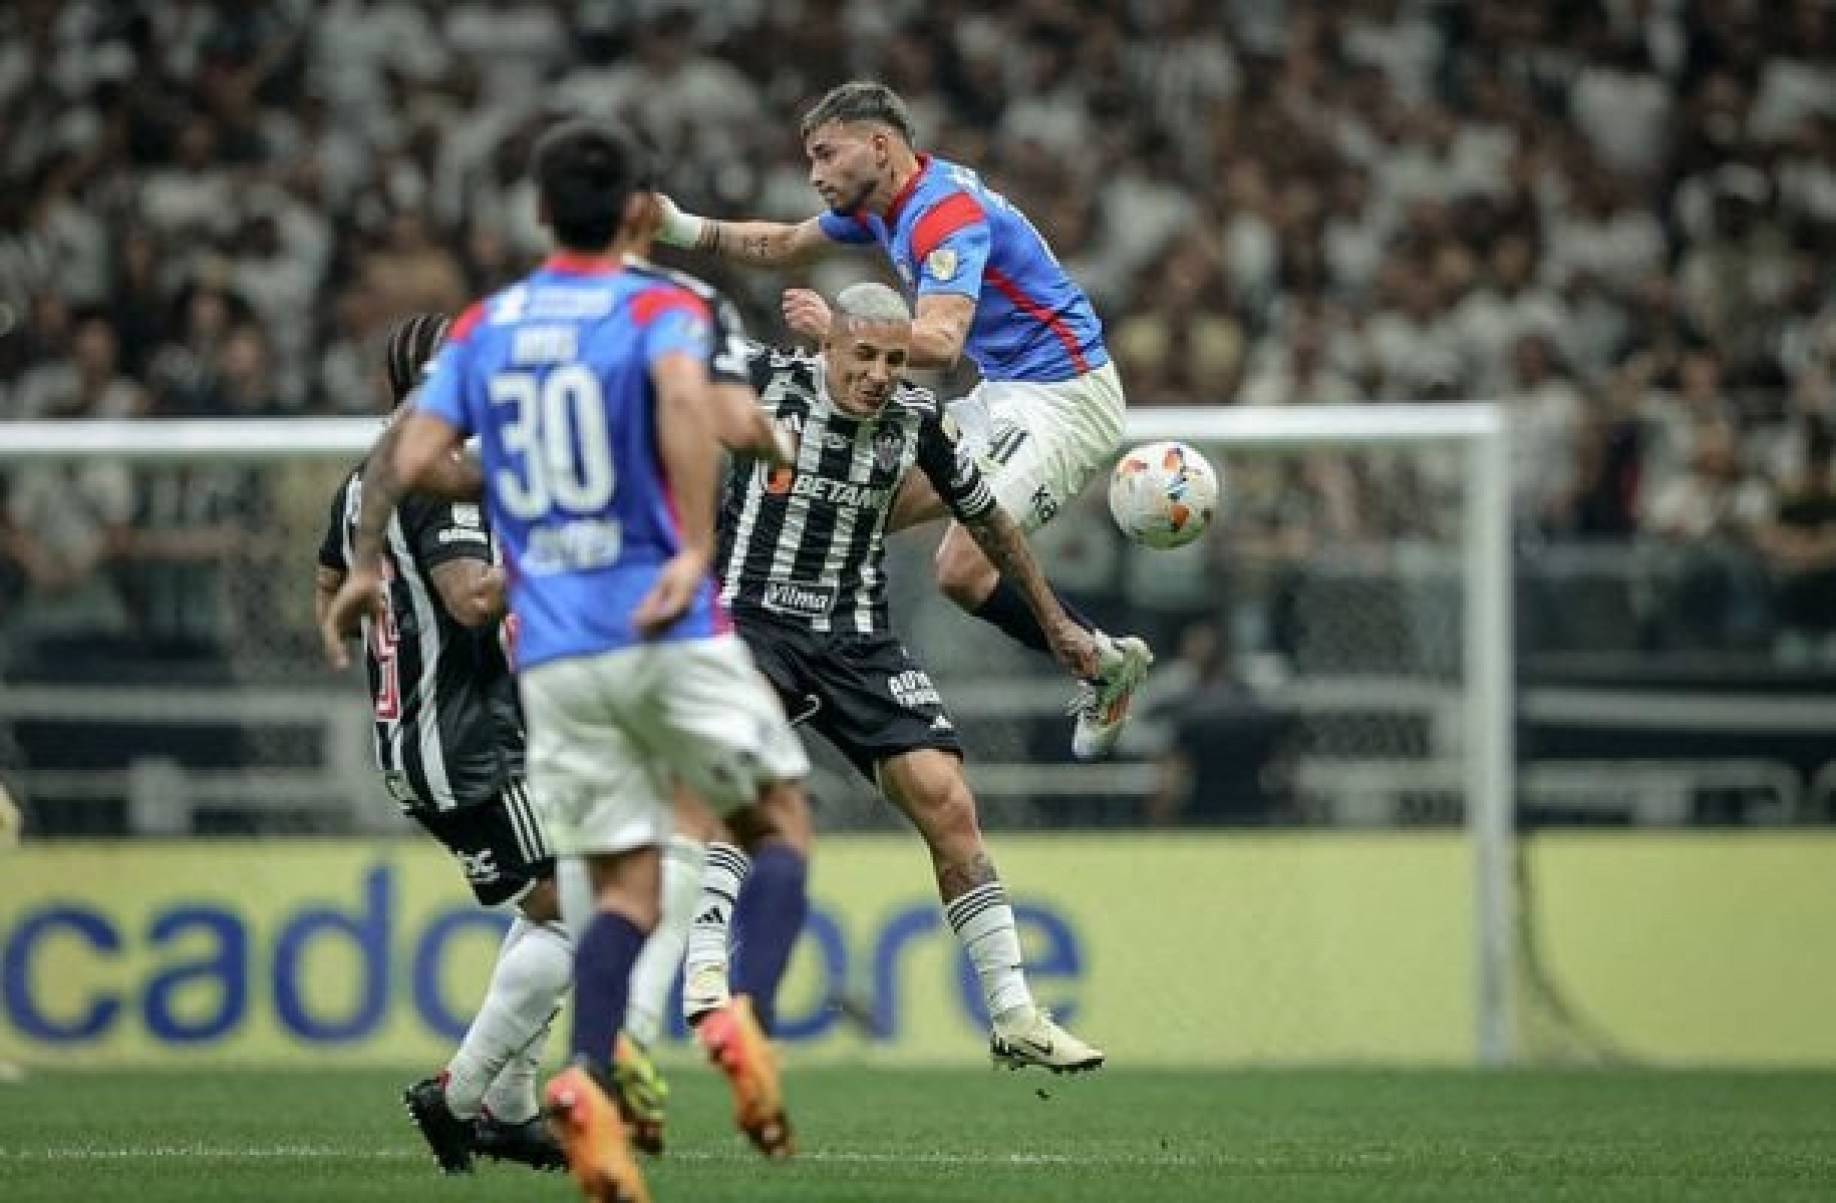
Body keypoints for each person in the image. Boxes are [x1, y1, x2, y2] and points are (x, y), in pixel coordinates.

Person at [320, 121, 811, 1203]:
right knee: (771, 822)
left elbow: (399, 453)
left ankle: (589, 1072)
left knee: (610, 882)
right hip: (658, 619)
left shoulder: (492, 327)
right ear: (640, 209)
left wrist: (360, 566)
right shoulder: (666, 309)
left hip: (555, 663)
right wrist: (720, 507)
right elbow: (708, 411)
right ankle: (742, 1015)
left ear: (539, 214)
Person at [656, 80, 1153, 762]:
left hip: (1062, 396)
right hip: (1007, 389)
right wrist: (677, 226)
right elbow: (782, 244)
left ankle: (1099, 662)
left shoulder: (941, 214)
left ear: (880, 146)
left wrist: (840, 329)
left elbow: (942, 342)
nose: (814, 173)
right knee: (857, 506)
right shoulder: (887, 204)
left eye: (828, 154)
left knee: (960, 569)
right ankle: (799, 659)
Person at [679, 282, 1106, 1073]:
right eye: (864, 355)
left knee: (947, 799)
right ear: (829, 347)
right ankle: (705, 959)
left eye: (894, 358)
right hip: (752, 621)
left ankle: (1014, 1013)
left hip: (857, 639)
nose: (878, 373)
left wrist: (1054, 622)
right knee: (740, 762)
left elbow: (990, 523)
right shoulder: (765, 378)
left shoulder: (917, 422)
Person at [314, 312, 567, 1176]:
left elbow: (328, 578)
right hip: (464, 742)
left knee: (559, 904)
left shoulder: (367, 475)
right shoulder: (433, 472)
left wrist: (355, 629)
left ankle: (511, 1105)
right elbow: (468, 597)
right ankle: (461, 1098)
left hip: (426, 733)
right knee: (591, 912)